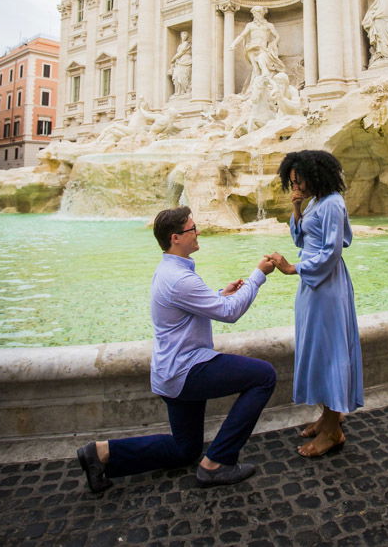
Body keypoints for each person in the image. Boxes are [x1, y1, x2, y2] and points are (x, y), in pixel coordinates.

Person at [77, 206, 276, 494]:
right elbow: (230, 313)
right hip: (188, 369)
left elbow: (196, 306)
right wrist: (258, 275)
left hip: (171, 371)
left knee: (185, 450)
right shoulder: (180, 279)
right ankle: (217, 463)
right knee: (264, 376)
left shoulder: (171, 271)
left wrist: (220, 293)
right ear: (176, 238)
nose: (198, 233)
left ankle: (101, 454)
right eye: (192, 229)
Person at [267, 150, 363, 457]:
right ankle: (327, 416)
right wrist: (296, 208)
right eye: (292, 182)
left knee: (330, 350)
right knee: (319, 348)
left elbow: (333, 250)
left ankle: (333, 431)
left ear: (316, 175)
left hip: (326, 285)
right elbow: (302, 241)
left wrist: (293, 268)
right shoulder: (316, 202)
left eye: (300, 181)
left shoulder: (333, 202)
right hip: (313, 285)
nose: (296, 186)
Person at [230, 5, 285, 84]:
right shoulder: (250, 25)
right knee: (255, 68)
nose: (255, 15)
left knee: (261, 59)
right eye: (254, 14)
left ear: (262, 14)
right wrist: (234, 44)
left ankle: (263, 80)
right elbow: (242, 35)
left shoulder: (269, 25)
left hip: (262, 48)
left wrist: (274, 43)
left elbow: (277, 36)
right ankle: (255, 86)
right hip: (251, 48)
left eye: (257, 13)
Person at [169, 30, 192, 95]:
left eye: (185, 34)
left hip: (186, 60)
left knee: (184, 76)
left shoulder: (187, 44)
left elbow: (182, 52)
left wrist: (173, 58)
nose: (183, 36)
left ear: (187, 36)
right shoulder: (180, 45)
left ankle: (185, 90)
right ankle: (178, 91)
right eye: (182, 34)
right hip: (179, 61)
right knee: (176, 75)